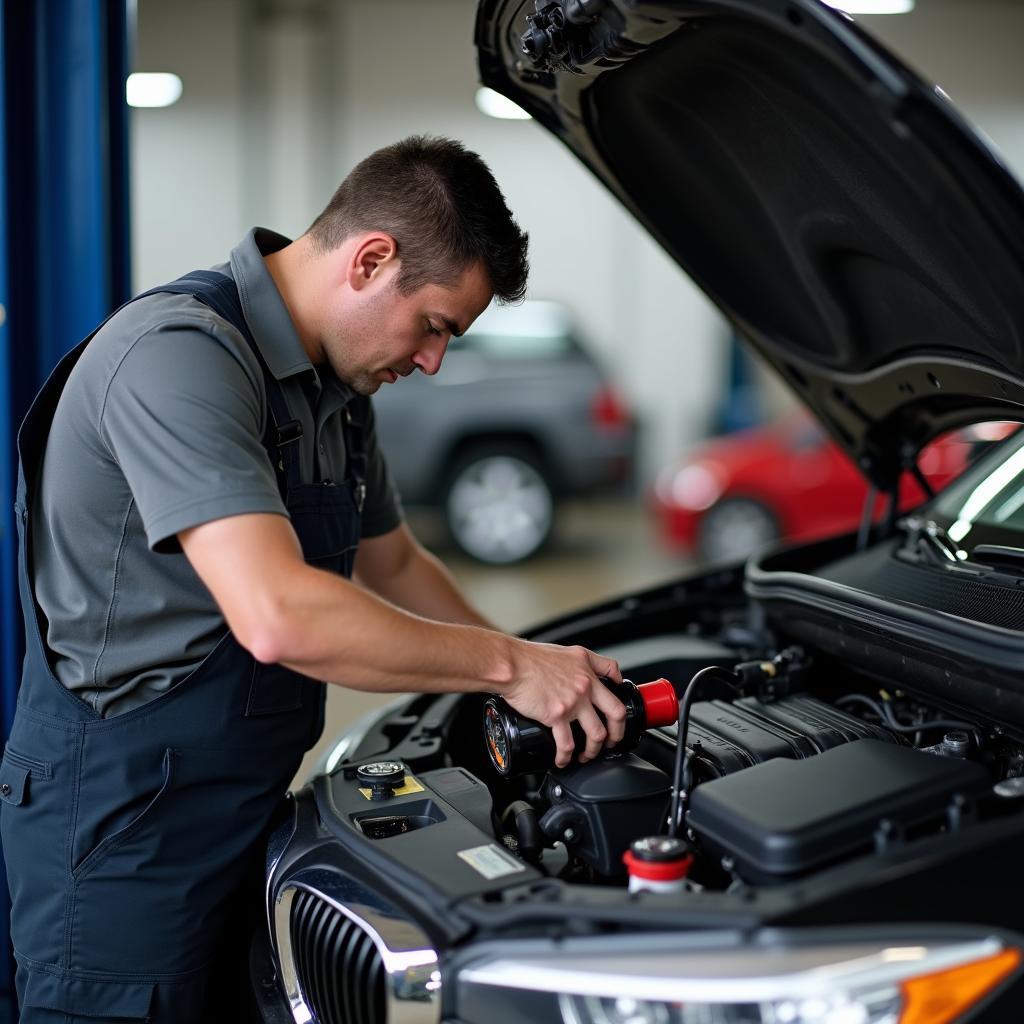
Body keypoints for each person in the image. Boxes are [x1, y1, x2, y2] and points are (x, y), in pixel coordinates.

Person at [1, 136, 626, 1022]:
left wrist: (534, 671)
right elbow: (278, 616)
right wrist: (507, 668)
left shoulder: (336, 391)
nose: (434, 361)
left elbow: (396, 562)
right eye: (438, 326)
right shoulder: (178, 357)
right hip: (120, 839)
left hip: (245, 814)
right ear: (372, 260)